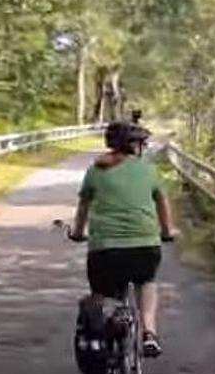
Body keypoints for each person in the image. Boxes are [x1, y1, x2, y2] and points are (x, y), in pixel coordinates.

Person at [70, 121, 174, 358]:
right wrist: (167, 232)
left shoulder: (95, 170)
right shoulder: (148, 170)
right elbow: (162, 203)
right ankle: (149, 332)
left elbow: (83, 206)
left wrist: (77, 233)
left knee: (102, 295)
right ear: (134, 147)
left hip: (104, 251)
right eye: (140, 144)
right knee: (146, 281)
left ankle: (106, 337)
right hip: (145, 247)